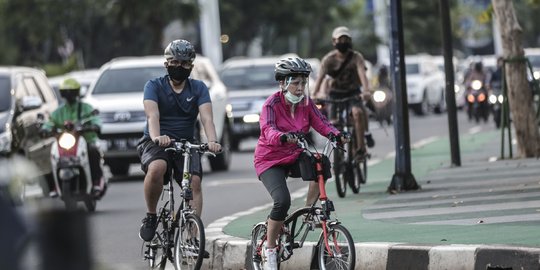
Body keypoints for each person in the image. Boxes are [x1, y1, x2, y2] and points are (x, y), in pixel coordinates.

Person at [254, 56, 349, 270]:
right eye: (295, 82)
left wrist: (337, 134)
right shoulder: (271, 104)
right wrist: (281, 136)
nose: (300, 88)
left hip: (294, 155)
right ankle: (269, 249)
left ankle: (308, 211)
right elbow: (267, 129)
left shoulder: (306, 104)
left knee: (320, 163)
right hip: (270, 160)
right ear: (282, 83)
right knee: (282, 201)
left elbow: (322, 123)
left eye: (303, 83)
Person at [137, 39, 221, 247]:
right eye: (175, 62)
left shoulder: (199, 88)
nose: (179, 67)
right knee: (157, 167)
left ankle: (192, 237)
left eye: (184, 64)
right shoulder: (153, 86)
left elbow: (207, 119)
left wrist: (212, 141)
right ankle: (150, 215)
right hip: (157, 141)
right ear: (166, 63)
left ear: (191, 66)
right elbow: (152, 116)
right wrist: (158, 137)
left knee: (194, 183)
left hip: (186, 143)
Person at [312, 26, 375, 157]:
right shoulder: (328, 60)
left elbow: (362, 75)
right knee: (333, 124)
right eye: (340, 39)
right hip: (334, 95)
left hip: (353, 93)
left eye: (346, 39)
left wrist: (367, 90)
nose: (343, 42)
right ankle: (339, 157)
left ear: (350, 41)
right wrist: (314, 95)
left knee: (357, 113)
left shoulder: (356, 57)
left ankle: (360, 149)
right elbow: (320, 79)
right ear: (334, 42)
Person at [40, 78, 105, 197]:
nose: (69, 95)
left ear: (77, 92)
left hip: (85, 140)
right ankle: (53, 186)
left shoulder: (86, 108)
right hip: (64, 143)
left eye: (72, 91)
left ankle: (97, 182)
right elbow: (49, 123)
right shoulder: (58, 112)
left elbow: (95, 119)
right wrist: (45, 129)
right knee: (48, 155)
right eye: (66, 92)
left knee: (93, 151)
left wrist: (95, 126)